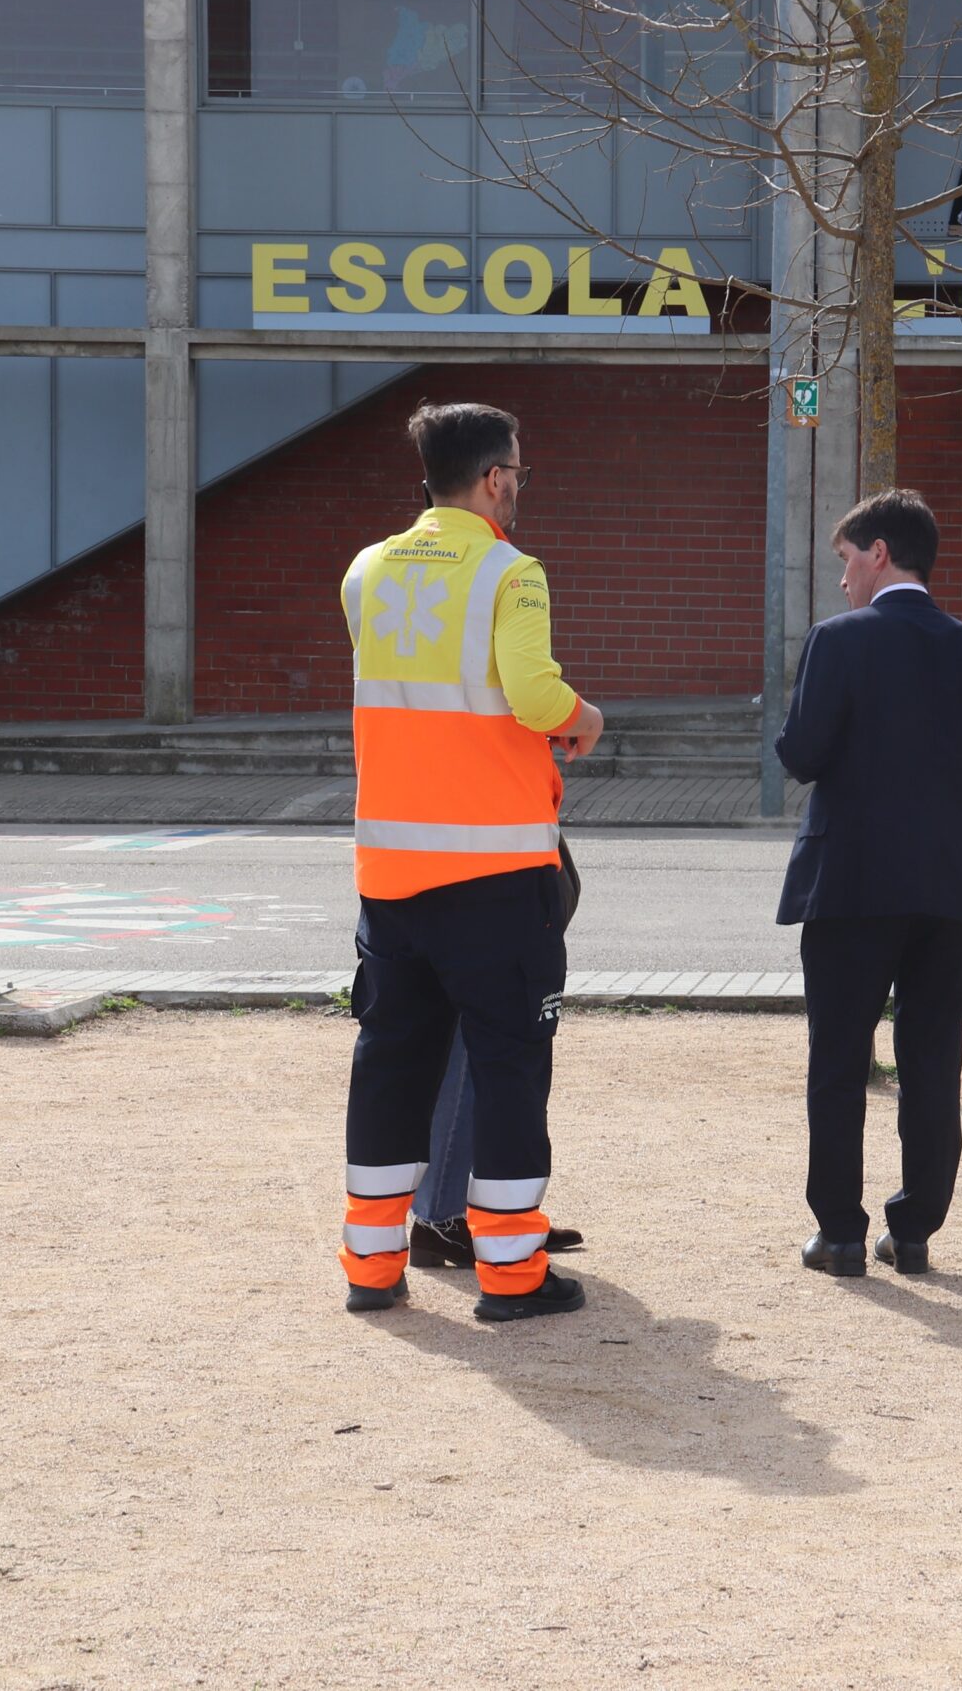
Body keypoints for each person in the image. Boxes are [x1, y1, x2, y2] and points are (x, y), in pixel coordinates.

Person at [336, 401, 603, 1321]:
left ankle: (372, 1268)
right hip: (493, 876)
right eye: (517, 472)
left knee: (389, 1066)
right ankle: (511, 1274)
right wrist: (585, 717)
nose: (518, 487)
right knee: (509, 1069)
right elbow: (532, 694)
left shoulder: (366, 571)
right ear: (494, 478)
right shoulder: (509, 571)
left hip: (389, 875)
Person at [774, 488, 962, 1279]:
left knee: (839, 1056)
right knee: (932, 1057)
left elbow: (801, 754)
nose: (843, 576)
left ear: (879, 553)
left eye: (847, 559)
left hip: (850, 881)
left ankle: (840, 1232)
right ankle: (914, 1228)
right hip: (947, 885)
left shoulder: (837, 639)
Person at [409, 841, 586, 1268]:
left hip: (462, 875)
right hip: (477, 880)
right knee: (473, 1056)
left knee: (472, 1055)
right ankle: (446, 1218)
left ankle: (471, 1218)